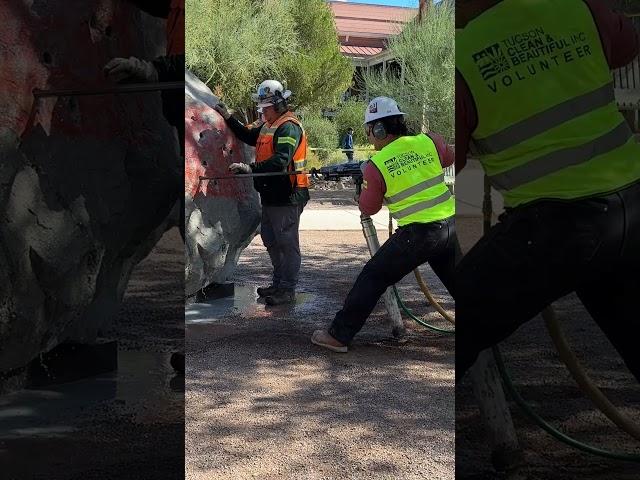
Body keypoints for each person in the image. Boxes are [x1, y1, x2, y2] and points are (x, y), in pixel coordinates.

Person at [456, 0, 640, 382]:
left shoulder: (464, 55)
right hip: (633, 206)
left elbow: (449, 160)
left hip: (556, 229)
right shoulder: (579, 9)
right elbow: (627, 45)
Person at [311, 97, 457, 352]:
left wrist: (364, 190)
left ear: (377, 129)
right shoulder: (429, 141)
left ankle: (339, 335)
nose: (370, 137)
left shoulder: (376, 165)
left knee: (373, 276)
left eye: (369, 130)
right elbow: (448, 157)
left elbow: (370, 208)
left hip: (419, 234)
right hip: (451, 226)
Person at [213, 80, 310, 305]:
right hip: (271, 195)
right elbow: (248, 136)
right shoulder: (269, 124)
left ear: (277, 105)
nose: (262, 111)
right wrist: (228, 117)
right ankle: (278, 284)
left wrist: (250, 168)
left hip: (288, 195)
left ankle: (287, 289)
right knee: (271, 239)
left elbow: (281, 160)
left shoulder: (288, 126)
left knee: (287, 242)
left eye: (265, 107)